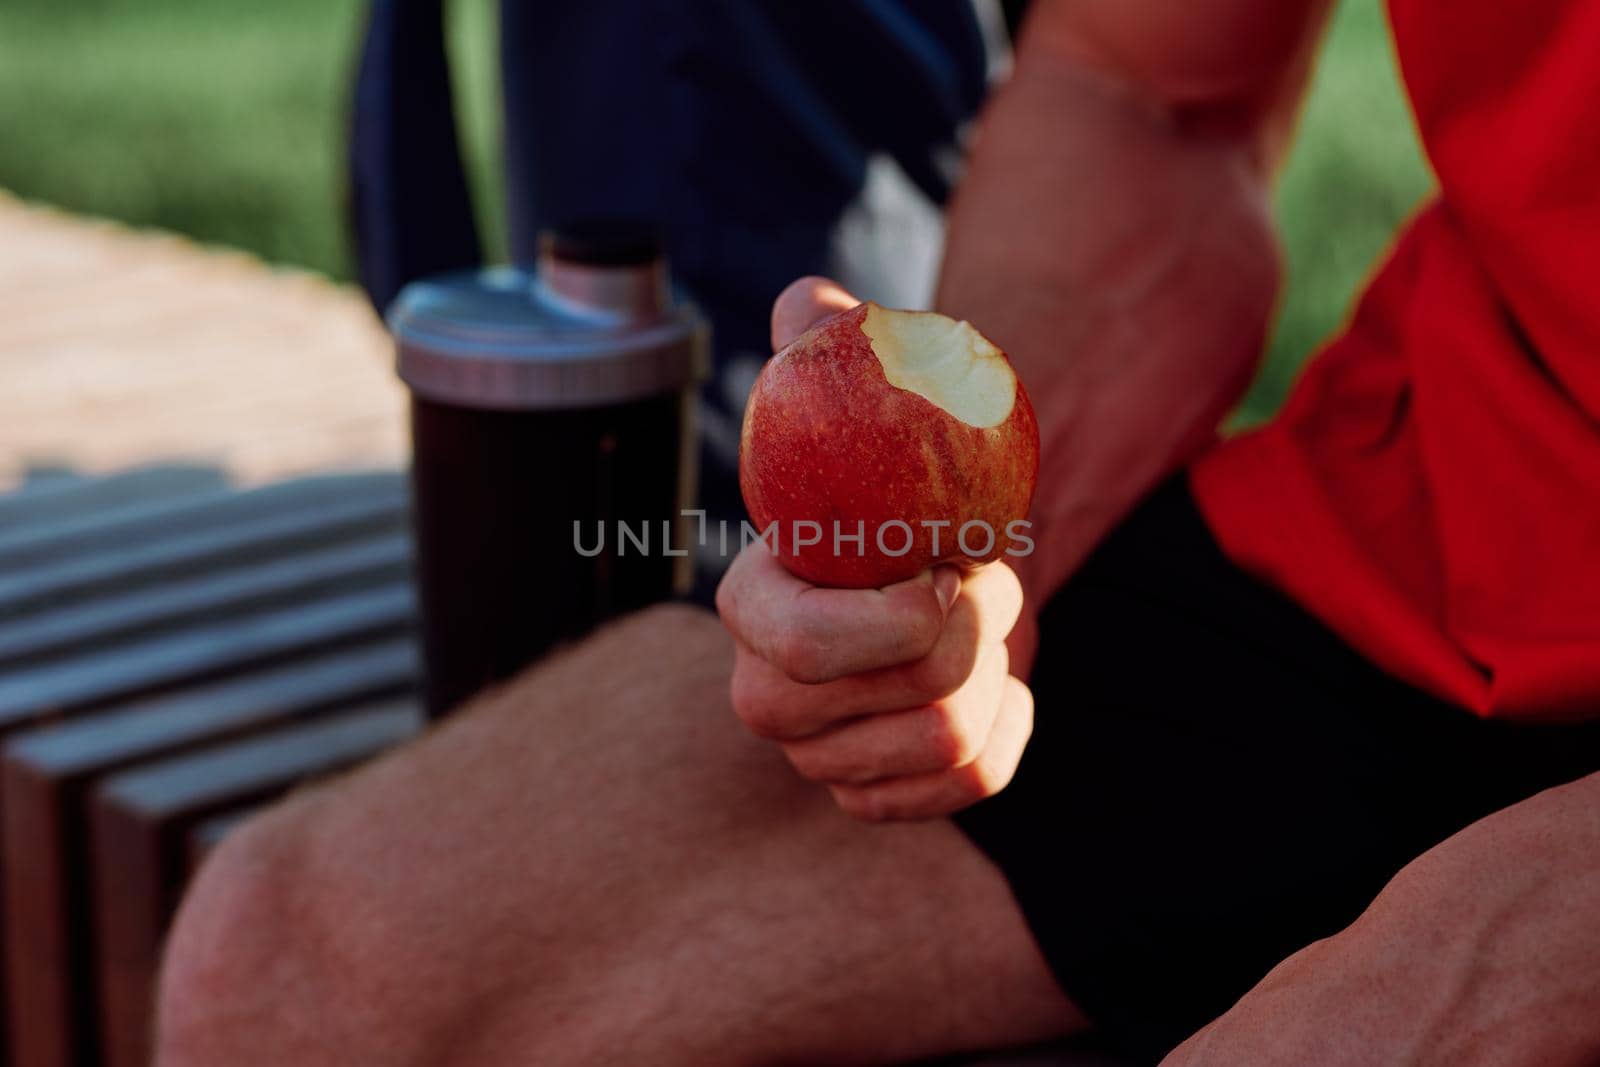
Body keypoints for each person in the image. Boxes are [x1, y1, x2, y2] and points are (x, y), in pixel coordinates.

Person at [156, 0, 1600, 1064]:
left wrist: (1532, 936)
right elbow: (1151, 95)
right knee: (294, 958)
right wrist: (974, 532)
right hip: (1443, 521)